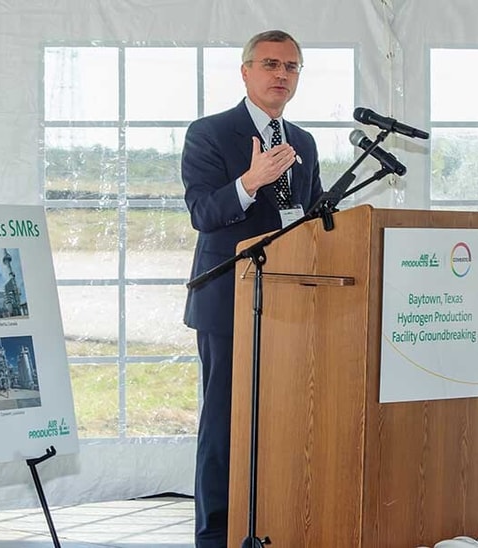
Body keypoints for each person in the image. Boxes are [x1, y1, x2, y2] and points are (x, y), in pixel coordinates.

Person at [182, 30, 324, 547]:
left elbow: (309, 219)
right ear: (245, 71)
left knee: (283, 424)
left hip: (290, 304)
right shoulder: (210, 133)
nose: (281, 75)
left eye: (292, 67)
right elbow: (203, 213)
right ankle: (215, 535)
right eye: (270, 64)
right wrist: (251, 180)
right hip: (227, 303)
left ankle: (271, 522)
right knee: (223, 426)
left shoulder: (303, 142)